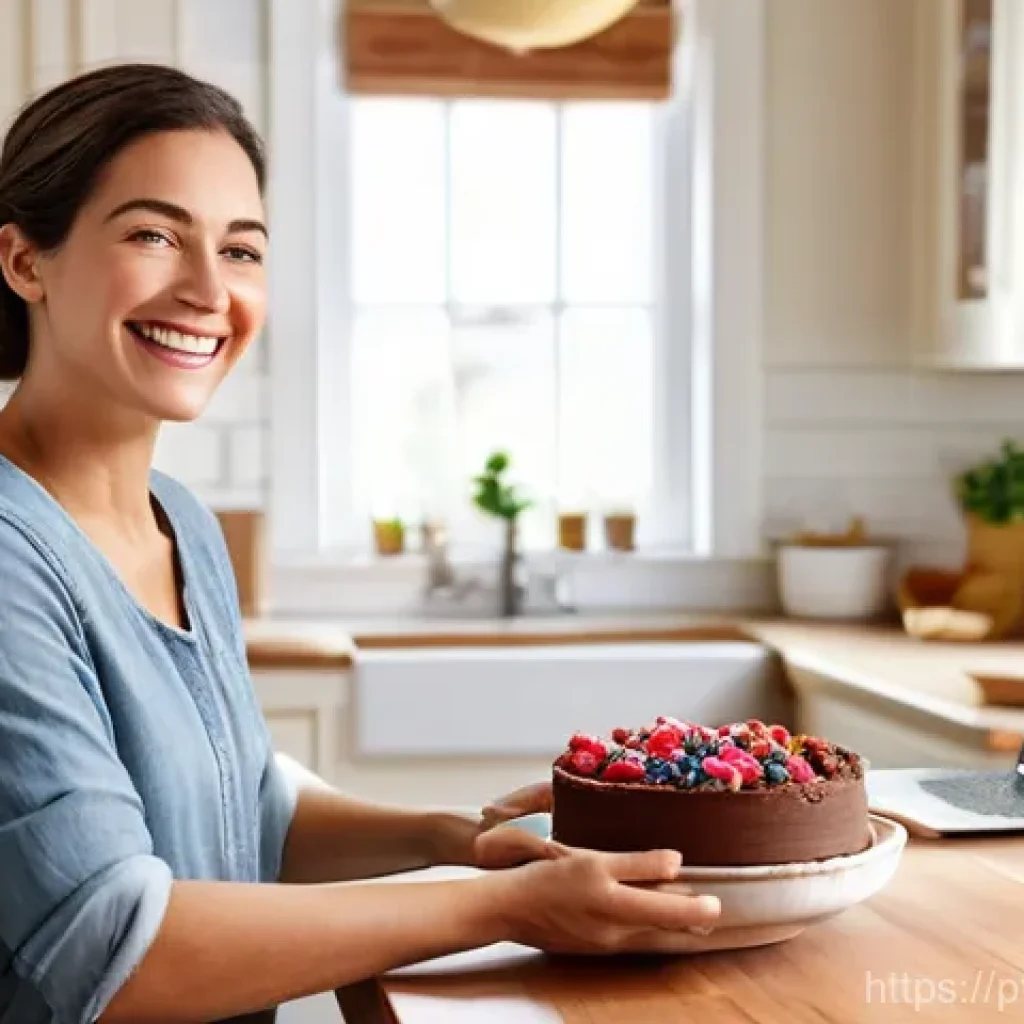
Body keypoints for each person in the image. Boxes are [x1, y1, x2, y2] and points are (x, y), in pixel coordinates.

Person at [0, 63, 720, 1023]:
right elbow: (114, 951)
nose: (209, 289)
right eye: (153, 235)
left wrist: (452, 838)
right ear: (25, 261)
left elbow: (242, 808)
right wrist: (503, 907)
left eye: (241, 249)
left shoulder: (183, 524)